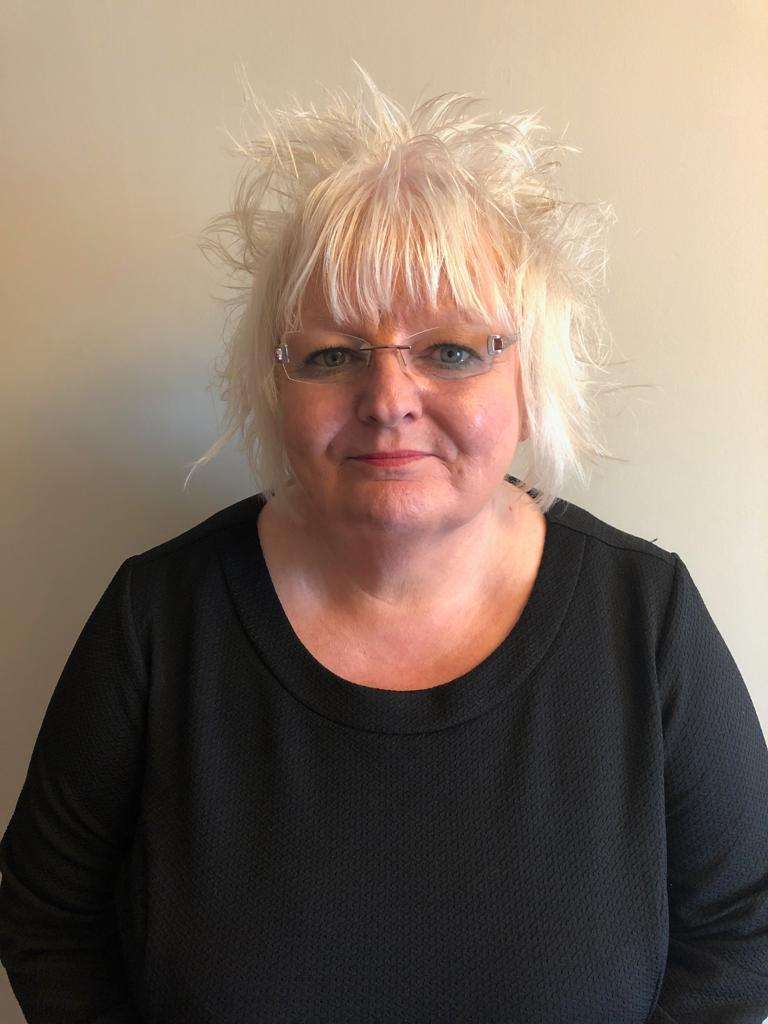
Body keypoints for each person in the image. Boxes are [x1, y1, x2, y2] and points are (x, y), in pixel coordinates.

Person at [1, 62, 767, 1024]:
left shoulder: (644, 621)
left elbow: (744, 924)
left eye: (451, 350)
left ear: (529, 377)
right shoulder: (158, 620)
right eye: (333, 353)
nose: (389, 400)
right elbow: (45, 912)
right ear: (275, 385)